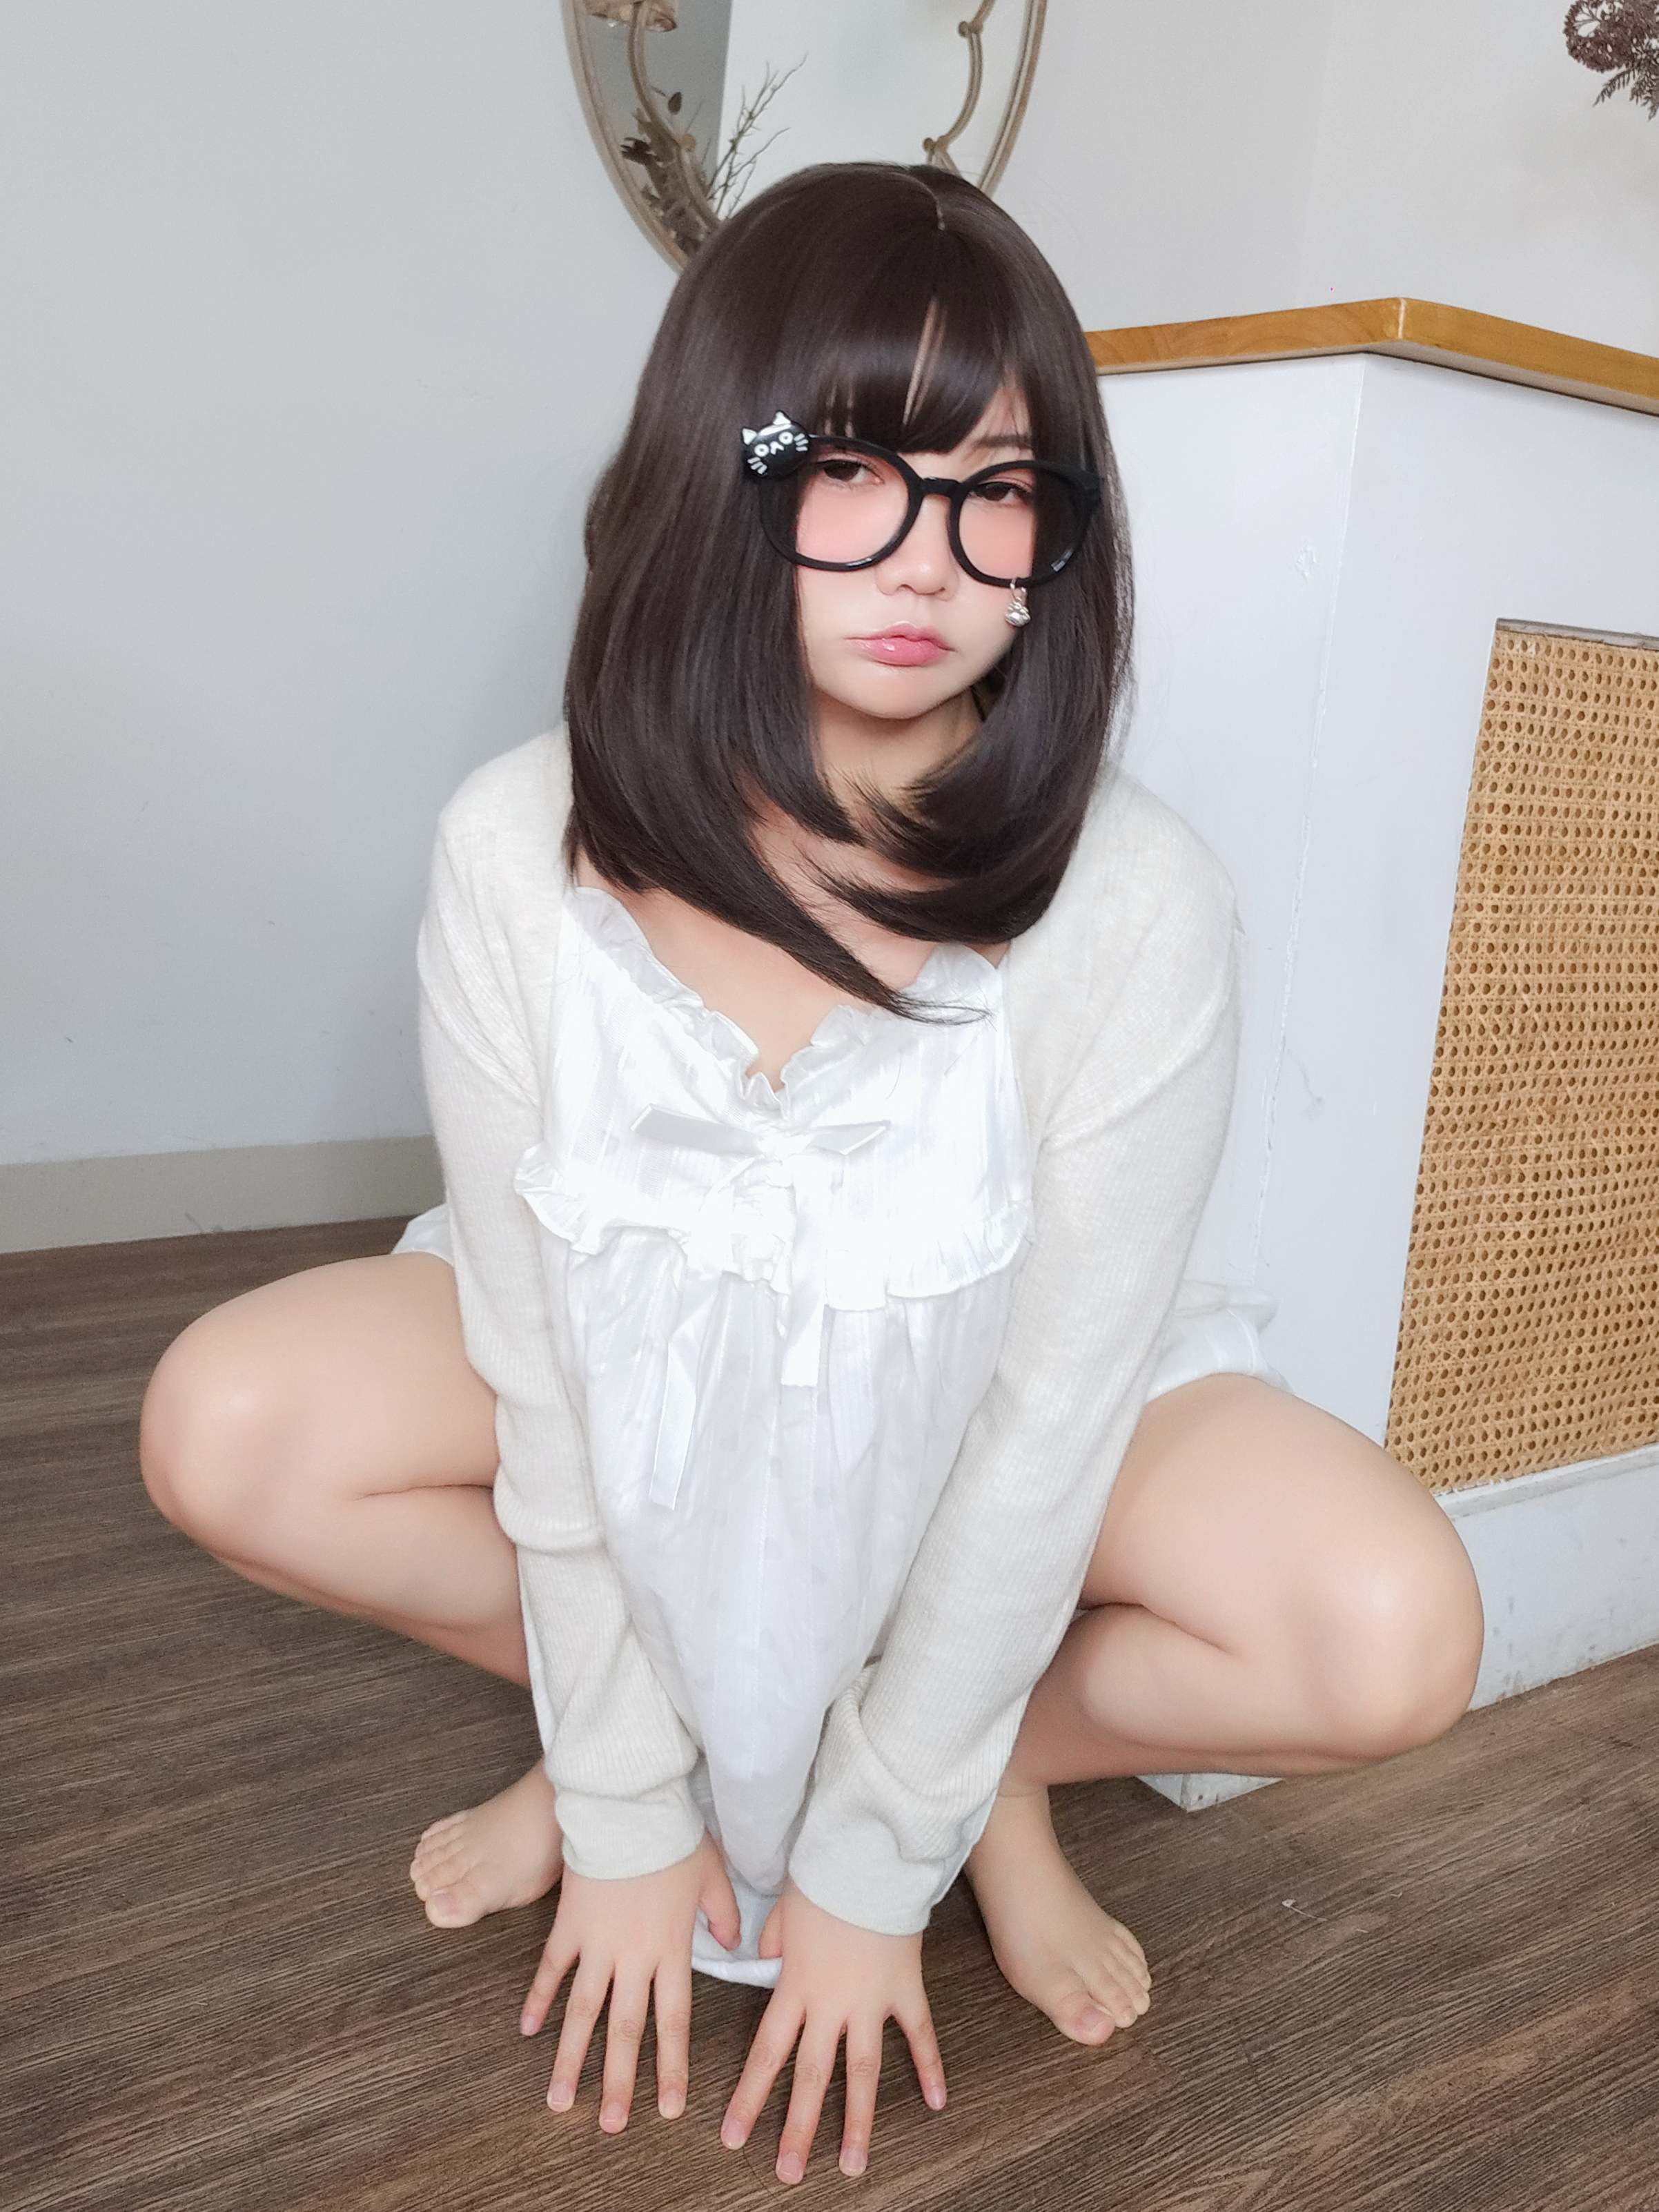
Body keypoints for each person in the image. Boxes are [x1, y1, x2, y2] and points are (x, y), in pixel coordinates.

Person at [139, 160, 1486, 2187]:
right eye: (847, 469)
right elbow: (540, 1367)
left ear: (1053, 539)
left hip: (986, 1376)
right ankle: (667, 1742)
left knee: (1386, 1634)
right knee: (227, 1427)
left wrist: (870, 1865)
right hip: (630, 1338)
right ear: (719, 475)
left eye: (995, 488)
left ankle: (956, 1780)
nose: (923, 556)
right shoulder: (517, 844)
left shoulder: (1138, 902)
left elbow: (1039, 1425)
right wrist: (623, 1807)